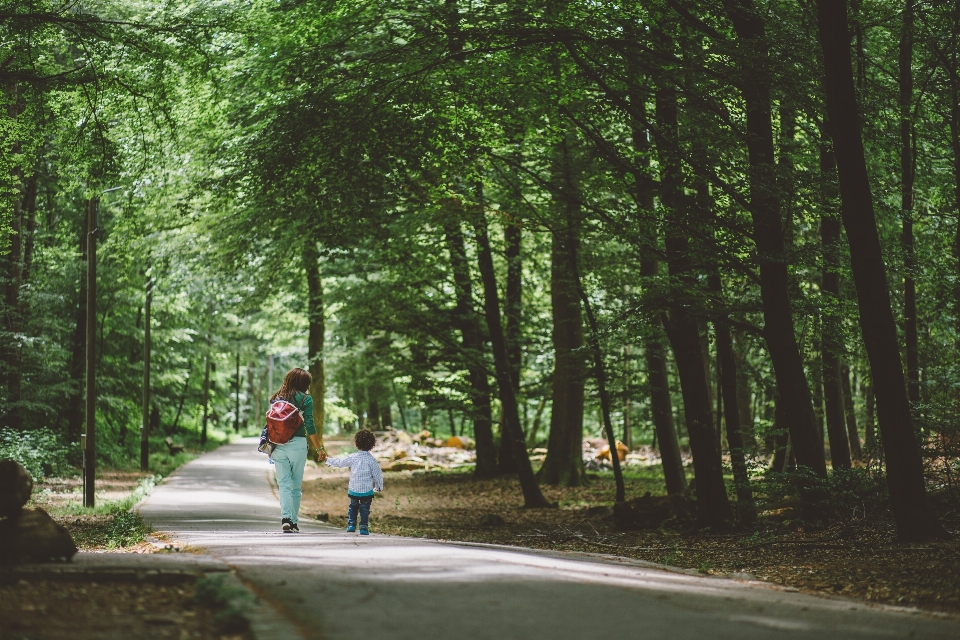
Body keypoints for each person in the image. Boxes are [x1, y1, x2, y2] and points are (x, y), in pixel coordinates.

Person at [270, 367, 327, 533]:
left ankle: (285, 519)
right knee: (295, 485)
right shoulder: (305, 399)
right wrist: (319, 448)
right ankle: (293, 522)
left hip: (278, 445)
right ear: (304, 384)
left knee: (283, 484)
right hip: (298, 444)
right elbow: (309, 424)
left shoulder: (276, 397)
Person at [326, 429, 383, 535]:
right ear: (372, 445)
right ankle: (363, 528)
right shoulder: (372, 460)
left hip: (354, 490)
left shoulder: (353, 457)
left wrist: (328, 460)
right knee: (365, 509)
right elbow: (377, 474)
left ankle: (351, 525)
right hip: (367, 491)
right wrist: (379, 486)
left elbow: (340, 462)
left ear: (356, 444)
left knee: (353, 507)